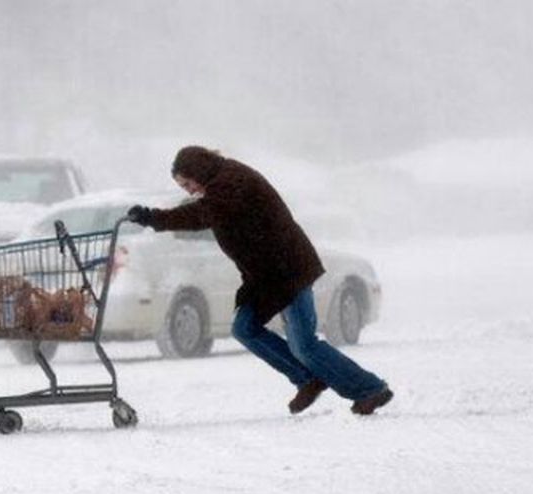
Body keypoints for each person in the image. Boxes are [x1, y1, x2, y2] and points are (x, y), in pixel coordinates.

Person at [127, 146, 393, 415]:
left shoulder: (231, 182)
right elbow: (201, 211)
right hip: (265, 278)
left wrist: (152, 217)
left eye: (187, 184)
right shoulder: (221, 181)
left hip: (289, 270)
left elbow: (197, 215)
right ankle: (308, 378)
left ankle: (369, 389)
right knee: (245, 329)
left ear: (198, 171)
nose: (189, 190)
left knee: (305, 345)